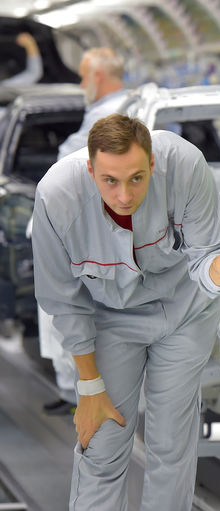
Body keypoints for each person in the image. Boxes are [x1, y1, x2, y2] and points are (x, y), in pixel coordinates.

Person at [31, 114, 220, 511]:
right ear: (90, 169)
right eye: (109, 180)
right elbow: (64, 301)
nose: (125, 195)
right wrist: (89, 387)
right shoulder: (55, 199)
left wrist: (219, 272)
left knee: (171, 446)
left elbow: (205, 256)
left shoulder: (185, 166)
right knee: (102, 442)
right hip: (111, 318)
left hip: (185, 312)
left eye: (136, 178)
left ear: (152, 164)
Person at [40, 47, 128, 415]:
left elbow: (73, 164)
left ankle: (75, 389)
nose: (80, 82)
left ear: (97, 76)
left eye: (82, 75)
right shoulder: (139, 108)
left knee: (65, 306)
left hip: (86, 226)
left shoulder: (107, 116)